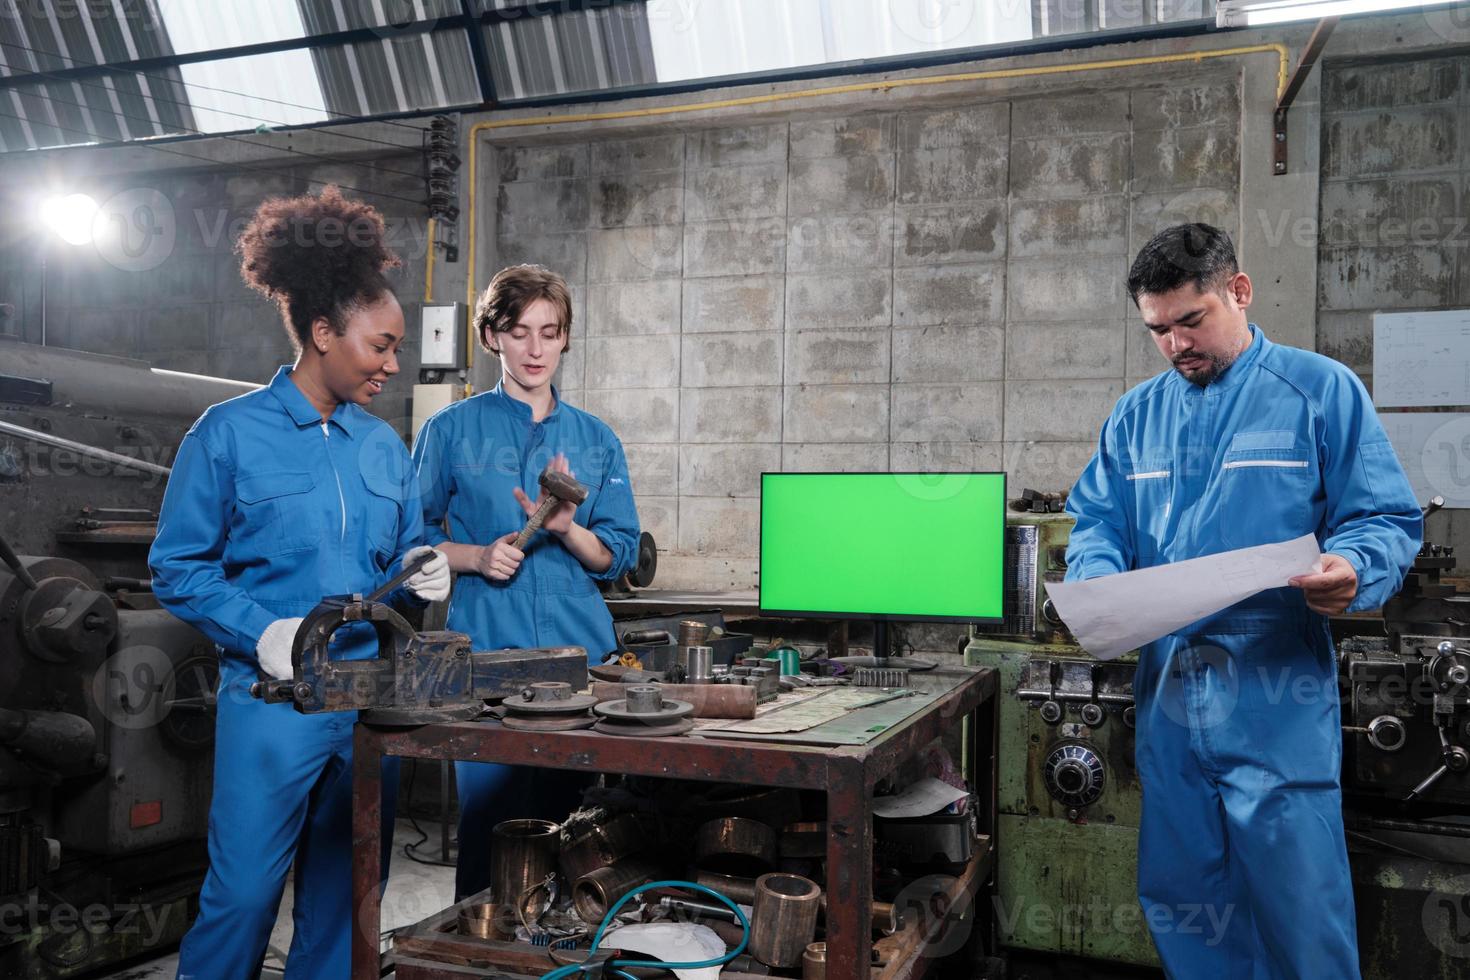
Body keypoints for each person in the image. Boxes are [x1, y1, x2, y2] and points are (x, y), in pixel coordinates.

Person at [1063, 223, 1421, 977]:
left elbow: (1384, 517)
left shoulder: (1318, 391)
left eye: (1191, 321)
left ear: (1240, 292)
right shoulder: (1135, 417)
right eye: (1157, 330)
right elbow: (1097, 521)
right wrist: (1098, 581)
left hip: (1274, 698)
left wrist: (1353, 567)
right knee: (1188, 903)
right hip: (1168, 698)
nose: (1174, 345)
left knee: (1299, 909)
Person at [149, 187, 450, 980]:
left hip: (367, 706)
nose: (393, 363)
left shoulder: (384, 448)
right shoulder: (226, 435)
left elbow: (404, 564)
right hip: (271, 706)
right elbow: (176, 568)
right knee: (244, 896)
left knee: (349, 893)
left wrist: (428, 575)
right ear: (323, 333)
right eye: (380, 345)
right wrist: (264, 633)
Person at [410, 263, 640, 899]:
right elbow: (410, 546)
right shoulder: (448, 431)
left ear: (566, 338)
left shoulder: (596, 439)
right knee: (490, 836)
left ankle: (562, 962)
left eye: (550, 332)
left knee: (577, 841)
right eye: (519, 332)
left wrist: (567, 528)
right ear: (492, 338)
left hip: (580, 664)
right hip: (486, 664)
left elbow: (617, 554)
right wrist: (476, 556)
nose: (535, 349)